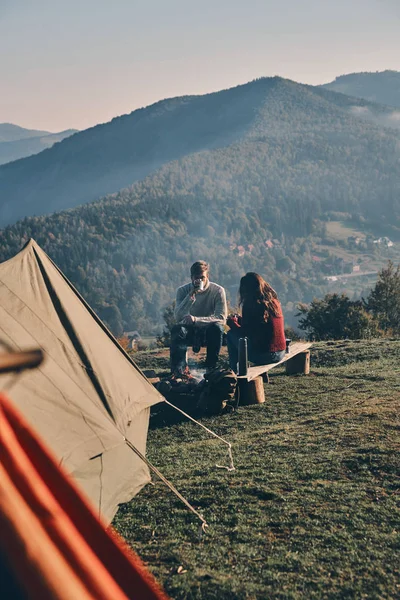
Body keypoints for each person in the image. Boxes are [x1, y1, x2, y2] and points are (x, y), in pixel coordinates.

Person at [170, 261, 227, 379]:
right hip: (189, 330)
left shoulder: (217, 291)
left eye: (203, 277)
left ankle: (210, 367)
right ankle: (179, 370)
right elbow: (177, 317)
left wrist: (196, 319)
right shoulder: (183, 291)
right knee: (177, 329)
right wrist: (191, 295)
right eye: (197, 278)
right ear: (192, 278)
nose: (200, 280)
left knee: (217, 328)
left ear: (207, 277)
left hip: (208, 329)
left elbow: (221, 318)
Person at [227, 272, 286, 372]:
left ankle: (234, 371)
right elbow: (258, 326)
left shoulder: (251, 304)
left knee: (230, 334)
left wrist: (232, 323)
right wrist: (241, 320)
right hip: (281, 352)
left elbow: (245, 334)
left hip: (264, 355)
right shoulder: (274, 302)